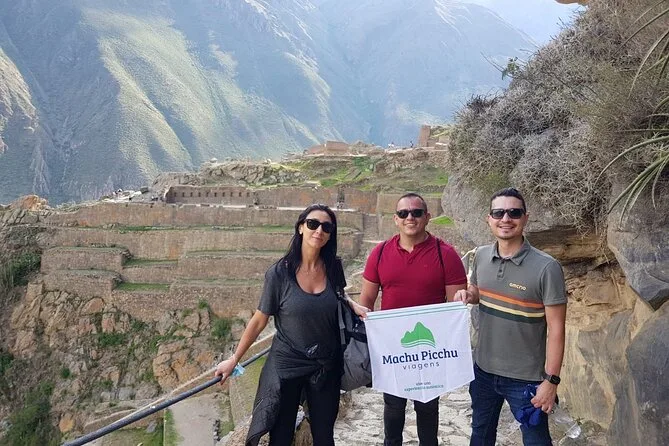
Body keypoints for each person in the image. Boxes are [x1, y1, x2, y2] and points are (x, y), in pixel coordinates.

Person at [214, 204, 368, 446]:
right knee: (281, 436)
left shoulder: (333, 267)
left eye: (326, 227)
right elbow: (259, 320)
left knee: (325, 436)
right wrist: (235, 359)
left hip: (325, 363)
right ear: (300, 228)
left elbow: (338, 294)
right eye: (313, 224)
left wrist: (352, 303)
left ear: (331, 234)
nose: (319, 230)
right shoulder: (279, 274)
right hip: (287, 363)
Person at [454, 187, 567, 446]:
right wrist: (468, 294)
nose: (506, 219)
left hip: (526, 378)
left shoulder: (547, 267)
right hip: (483, 372)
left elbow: (557, 330)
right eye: (498, 213)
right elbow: (479, 291)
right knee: (480, 436)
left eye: (514, 213)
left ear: (525, 218)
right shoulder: (481, 256)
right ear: (489, 219)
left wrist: (551, 381)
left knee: (537, 441)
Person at [358, 192, 467, 446]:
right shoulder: (380, 253)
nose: (410, 217)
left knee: (427, 408)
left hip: (429, 349)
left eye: (416, 212)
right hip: (393, 348)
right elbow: (366, 302)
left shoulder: (445, 254)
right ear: (395, 219)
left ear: (427, 217)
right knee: (393, 407)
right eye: (403, 213)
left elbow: (454, 308)